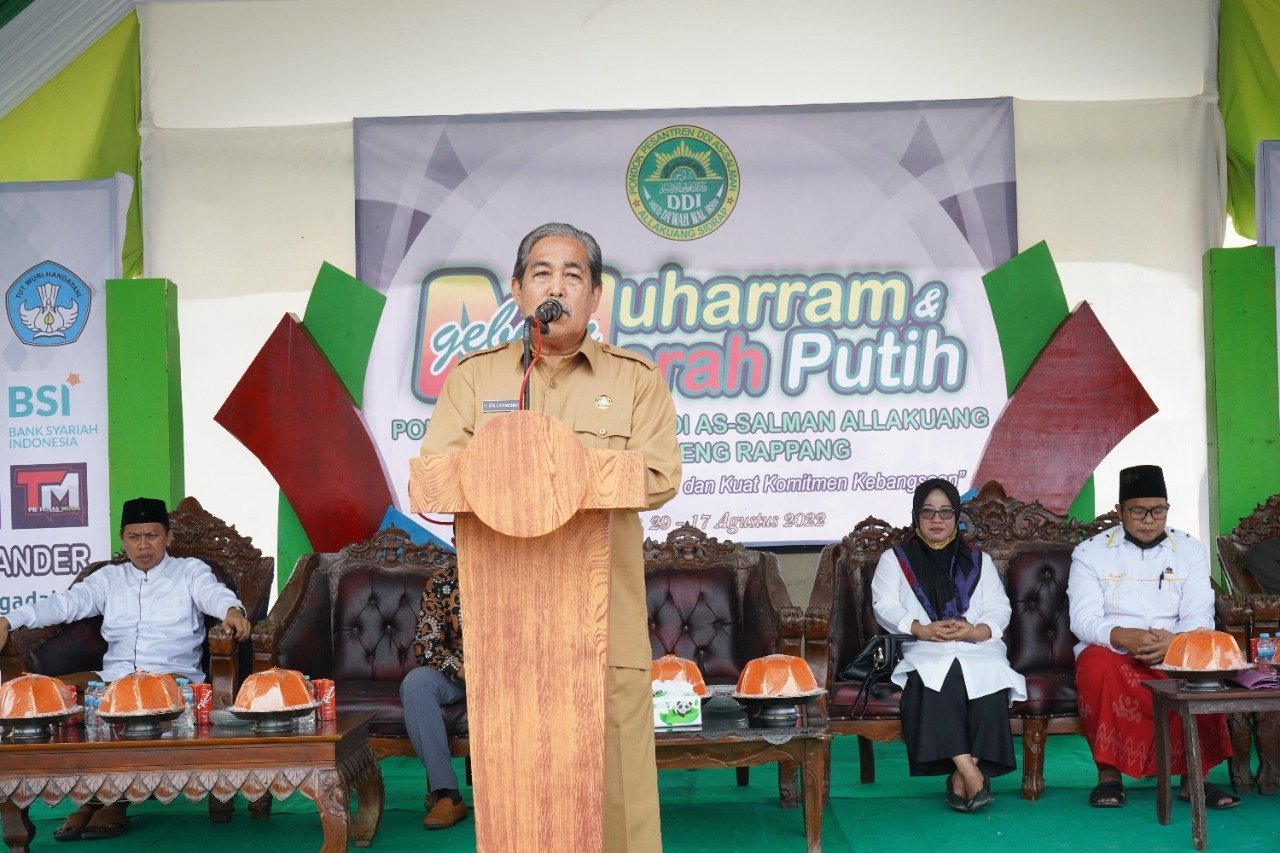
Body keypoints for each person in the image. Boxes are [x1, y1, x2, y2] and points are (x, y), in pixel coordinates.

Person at [420, 222, 681, 851]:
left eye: (572, 275)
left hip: (603, 624)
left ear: (596, 295)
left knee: (618, 798)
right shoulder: (475, 379)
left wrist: (553, 473)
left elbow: (658, 475)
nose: (556, 286)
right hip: (508, 635)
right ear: (516, 290)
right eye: (541, 273)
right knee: (520, 794)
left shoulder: (635, 379)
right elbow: (435, 478)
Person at [0, 496, 251, 840]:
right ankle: (86, 798)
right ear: (122, 539)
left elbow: (214, 594)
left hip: (171, 678)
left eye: (152, 535)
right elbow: (65, 604)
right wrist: (8, 620)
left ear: (168, 537)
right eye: (134, 537)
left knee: (133, 703)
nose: (143, 545)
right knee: (50, 694)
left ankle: (115, 801)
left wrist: (232, 611)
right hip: (114, 677)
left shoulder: (189, 572)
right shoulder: (108, 579)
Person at [1068, 465, 1238, 809]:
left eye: (1158, 510)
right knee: (1095, 665)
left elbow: (1200, 614)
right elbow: (1083, 619)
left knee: (1204, 666)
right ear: (1120, 510)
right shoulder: (1089, 553)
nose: (1149, 520)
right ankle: (1109, 777)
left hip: (1175, 646)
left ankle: (1195, 779)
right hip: (1113, 649)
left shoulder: (1189, 549)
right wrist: (1120, 636)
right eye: (1138, 511)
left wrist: (1175, 642)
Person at [871, 478, 1026, 812]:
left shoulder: (979, 560)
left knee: (989, 673)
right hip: (924, 645)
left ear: (957, 516)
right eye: (928, 512)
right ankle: (972, 775)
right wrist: (920, 629)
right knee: (936, 675)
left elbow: (999, 607)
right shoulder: (895, 559)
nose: (937, 520)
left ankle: (959, 778)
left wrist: (977, 631)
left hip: (977, 646)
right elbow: (884, 606)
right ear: (916, 515)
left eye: (945, 512)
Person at [400, 560, 467, 829]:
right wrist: (460, 670)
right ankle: (447, 795)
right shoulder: (442, 581)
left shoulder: (518, 573)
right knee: (416, 684)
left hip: (514, 672)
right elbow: (426, 645)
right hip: (461, 674)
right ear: (456, 541)